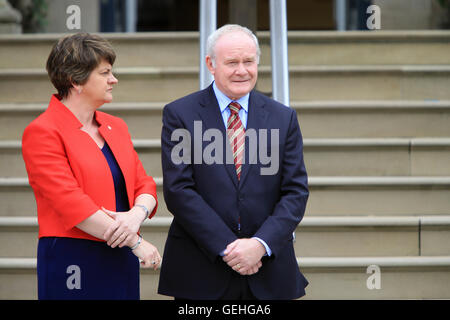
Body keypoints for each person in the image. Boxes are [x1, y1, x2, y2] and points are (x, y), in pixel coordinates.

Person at [158, 24, 309, 300]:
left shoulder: (283, 118)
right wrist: (230, 248)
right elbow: (179, 191)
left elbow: (295, 191)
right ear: (210, 65)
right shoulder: (180, 115)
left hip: (269, 270)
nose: (242, 70)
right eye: (232, 62)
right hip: (201, 270)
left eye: (249, 61)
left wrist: (259, 245)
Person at [21, 33, 161, 300]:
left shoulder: (116, 126)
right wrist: (135, 241)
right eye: (105, 73)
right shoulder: (43, 131)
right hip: (73, 257)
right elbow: (70, 202)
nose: (114, 80)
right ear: (76, 81)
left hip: (120, 257)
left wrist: (136, 216)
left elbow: (144, 184)